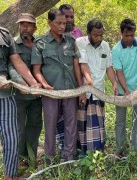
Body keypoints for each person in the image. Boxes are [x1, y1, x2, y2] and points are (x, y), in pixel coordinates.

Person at [0, 0, 41, 179]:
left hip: (4, 94)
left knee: (11, 139)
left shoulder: (4, 34)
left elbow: (17, 61)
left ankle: (10, 175)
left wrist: (32, 83)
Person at [31, 9, 91, 163]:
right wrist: (45, 85)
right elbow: (36, 70)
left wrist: (81, 89)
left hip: (70, 90)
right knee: (50, 125)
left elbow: (76, 66)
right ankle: (50, 158)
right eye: (58, 23)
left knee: (71, 124)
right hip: (51, 92)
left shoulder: (70, 41)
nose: (62, 26)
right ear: (49, 22)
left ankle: (69, 157)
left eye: (64, 23)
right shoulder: (40, 43)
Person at [112, 18, 137, 157]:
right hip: (123, 92)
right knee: (120, 121)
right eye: (126, 35)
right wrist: (127, 92)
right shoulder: (116, 49)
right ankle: (120, 149)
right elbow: (119, 72)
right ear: (121, 33)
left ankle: (136, 148)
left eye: (132, 35)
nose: (129, 38)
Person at [76, 19, 117, 157]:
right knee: (83, 122)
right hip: (85, 91)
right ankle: (83, 152)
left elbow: (109, 67)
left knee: (98, 122)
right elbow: (83, 65)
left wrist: (114, 83)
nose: (98, 38)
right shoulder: (80, 42)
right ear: (88, 33)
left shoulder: (105, 46)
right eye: (95, 35)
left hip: (99, 91)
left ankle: (96, 151)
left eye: (101, 35)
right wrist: (88, 81)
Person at [11, 13, 42, 169]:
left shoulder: (40, 44)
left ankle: (31, 158)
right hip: (20, 95)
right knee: (19, 128)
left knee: (34, 126)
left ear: (34, 27)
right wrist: (22, 83)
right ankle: (17, 160)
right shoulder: (12, 44)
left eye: (28, 24)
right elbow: (10, 66)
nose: (25, 27)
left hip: (37, 95)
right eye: (22, 24)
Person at [57, 4, 84, 151]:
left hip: (76, 82)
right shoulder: (53, 34)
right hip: (57, 84)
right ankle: (62, 147)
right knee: (59, 117)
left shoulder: (78, 33)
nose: (69, 20)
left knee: (74, 116)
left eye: (71, 16)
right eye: (66, 17)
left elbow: (81, 60)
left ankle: (74, 147)